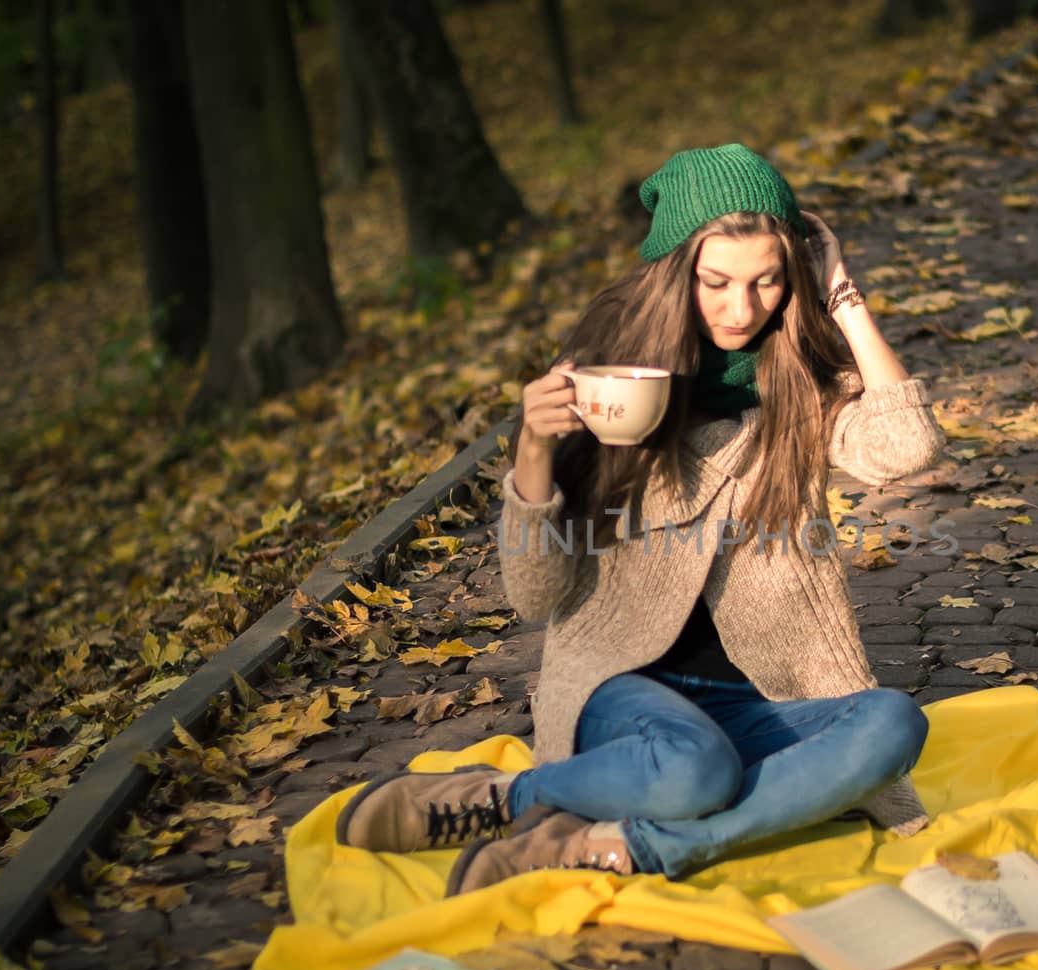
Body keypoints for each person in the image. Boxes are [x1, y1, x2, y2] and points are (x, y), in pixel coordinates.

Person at [337, 143, 946, 895]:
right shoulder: (607, 378)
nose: (741, 309)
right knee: (694, 770)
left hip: (761, 698)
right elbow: (535, 596)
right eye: (715, 282)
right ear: (674, 273)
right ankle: (507, 800)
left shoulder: (798, 382)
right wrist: (532, 449)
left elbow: (907, 445)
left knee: (893, 726)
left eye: (767, 281)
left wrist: (842, 293)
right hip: (620, 684)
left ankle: (633, 846)